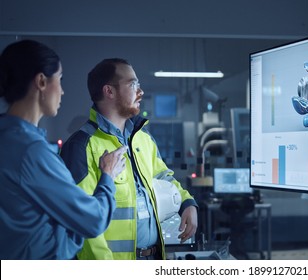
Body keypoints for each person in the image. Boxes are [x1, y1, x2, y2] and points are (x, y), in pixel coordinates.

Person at [60, 58, 198, 260]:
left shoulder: (142, 138)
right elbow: (82, 221)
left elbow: (164, 177)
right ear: (109, 91)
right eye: (133, 84)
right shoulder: (82, 146)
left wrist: (187, 202)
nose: (140, 92)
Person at [0, 40, 127, 260]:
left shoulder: (8, 139)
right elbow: (93, 220)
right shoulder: (31, 152)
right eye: (60, 79)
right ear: (41, 81)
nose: (62, 91)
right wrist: (107, 177)